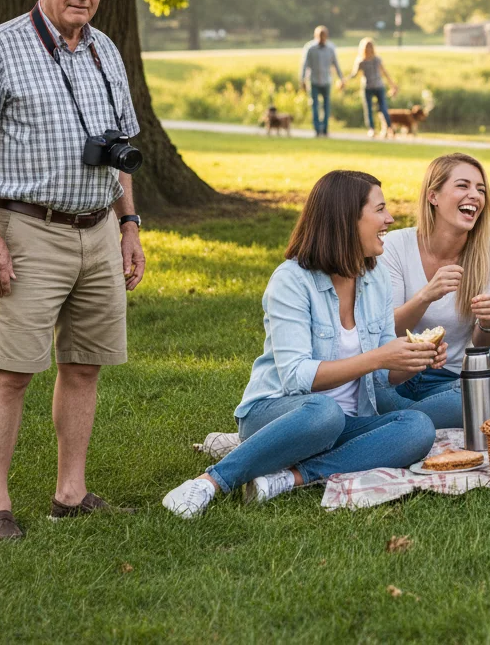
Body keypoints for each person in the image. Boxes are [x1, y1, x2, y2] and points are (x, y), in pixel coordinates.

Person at [0, 0, 146, 540]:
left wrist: (130, 225)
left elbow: (120, 151)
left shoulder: (106, 50)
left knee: (84, 366)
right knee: (12, 370)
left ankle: (71, 492)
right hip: (27, 229)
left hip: (98, 230)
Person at [162, 170, 438, 518]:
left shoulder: (376, 276)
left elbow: (382, 377)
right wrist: (379, 357)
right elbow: (296, 377)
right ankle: (210, 483)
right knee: (324, 412)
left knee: (417, 427)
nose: (390, 218)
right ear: (345, 220)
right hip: (280, 412)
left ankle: (289, 477)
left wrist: (410, 361)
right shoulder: (291, 281)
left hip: (345, 422)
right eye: (380, 209)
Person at [377, 154, 490, 428]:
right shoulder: (395, 246)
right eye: (463, 186)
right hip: (396, 373)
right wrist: (426, 296)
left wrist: (487, 324)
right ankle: (408, 420)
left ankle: (397, 421)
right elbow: (385, 330)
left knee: (479, 401)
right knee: (367, 390)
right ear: (433, 196)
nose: (475, 195)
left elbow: (484, 347)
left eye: (480, 189)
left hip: (449, 380)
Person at [344, 37, 398, 137]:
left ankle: (389, 127)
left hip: (379, 86)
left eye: (370, 47)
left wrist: (392, 85)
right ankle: (371, 129)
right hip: (367, 87)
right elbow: (354, 74)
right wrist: (344, 80)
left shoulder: (377, 59)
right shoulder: (361, 61)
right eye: (366, 47)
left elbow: (384, 72)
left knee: (383, 108)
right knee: (368, 109)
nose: (368, 49)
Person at [299, 25, 343, 136]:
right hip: (313, 80)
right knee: (315, 105)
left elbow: (336, 64)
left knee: (326, 106)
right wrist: (302, 80)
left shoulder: (330, 48)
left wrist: (341, 78)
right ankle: (317, 129)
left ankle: (325, 128)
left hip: (326, 80)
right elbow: (304, 65)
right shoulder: (310, 48)